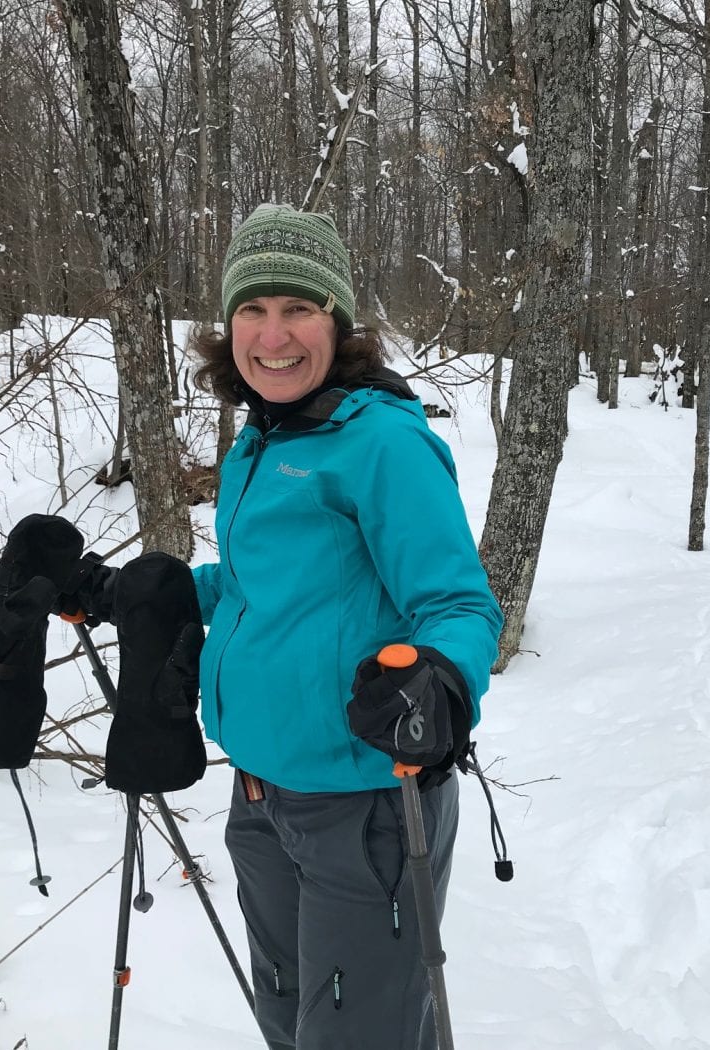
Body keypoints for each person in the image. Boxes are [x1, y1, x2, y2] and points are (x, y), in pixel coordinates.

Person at [189, 203, 503, 1050]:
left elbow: (461, 605)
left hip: (364, 806)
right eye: (252, 309)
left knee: (362, 1036)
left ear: (337, 318)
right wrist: (154, 595)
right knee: (294, 1024)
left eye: (299, 308)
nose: (273, 333)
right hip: (259, 797)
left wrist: (439, 673)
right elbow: (268, 588)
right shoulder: (260, 441)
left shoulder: (380, 444)